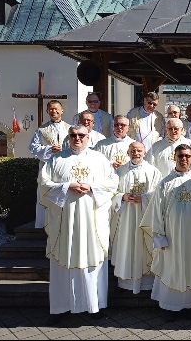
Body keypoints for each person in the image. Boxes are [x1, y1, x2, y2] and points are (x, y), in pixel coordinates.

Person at [38, 125, 119, 324]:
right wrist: (67, 187)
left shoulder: (99, 159)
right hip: (65, 222)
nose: (77, 138)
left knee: (92, 259)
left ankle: (94, 305)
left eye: (81, 135)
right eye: (73, 135)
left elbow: (112, 183)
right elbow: (43, 184)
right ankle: (60, 307)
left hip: (92, 221)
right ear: (68, 137)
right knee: (63, 260)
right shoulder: (56, 159)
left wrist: (92, 187)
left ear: (88, 137)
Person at [140, 144, 191, 320]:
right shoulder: (165, 183)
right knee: (172, 268)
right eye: (180, 156)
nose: (183, 159)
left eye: (187, 156)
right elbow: (156, 211)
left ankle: (190, 305)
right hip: (171, 237)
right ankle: (170, 306)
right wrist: (159, 236)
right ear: (174, 158)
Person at [109, 141, 162, 294]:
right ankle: (125, 283)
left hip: (146, 218)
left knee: (145, 246)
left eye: (139, 150)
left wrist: (144, 198)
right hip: (125, 219)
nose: (136, 153)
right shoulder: (119, 172)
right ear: (128, 152)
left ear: (144, 153)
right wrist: (122, 197)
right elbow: (111, 193)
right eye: (133, 150)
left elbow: (159, 194)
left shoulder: (153, 172)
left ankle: (147, 283)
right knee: (126, 244)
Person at [29, 100, 71, 228]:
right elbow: (33, 147)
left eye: (56, 109)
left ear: (62, 110)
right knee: (46, 190)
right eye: (51, 109)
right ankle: (44, 223)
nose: (54, 111)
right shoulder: (41, 130)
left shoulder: (69, 128)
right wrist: (48, 150)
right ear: (47, 111)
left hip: (65, 165)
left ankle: (64, 221)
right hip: (47, 166)